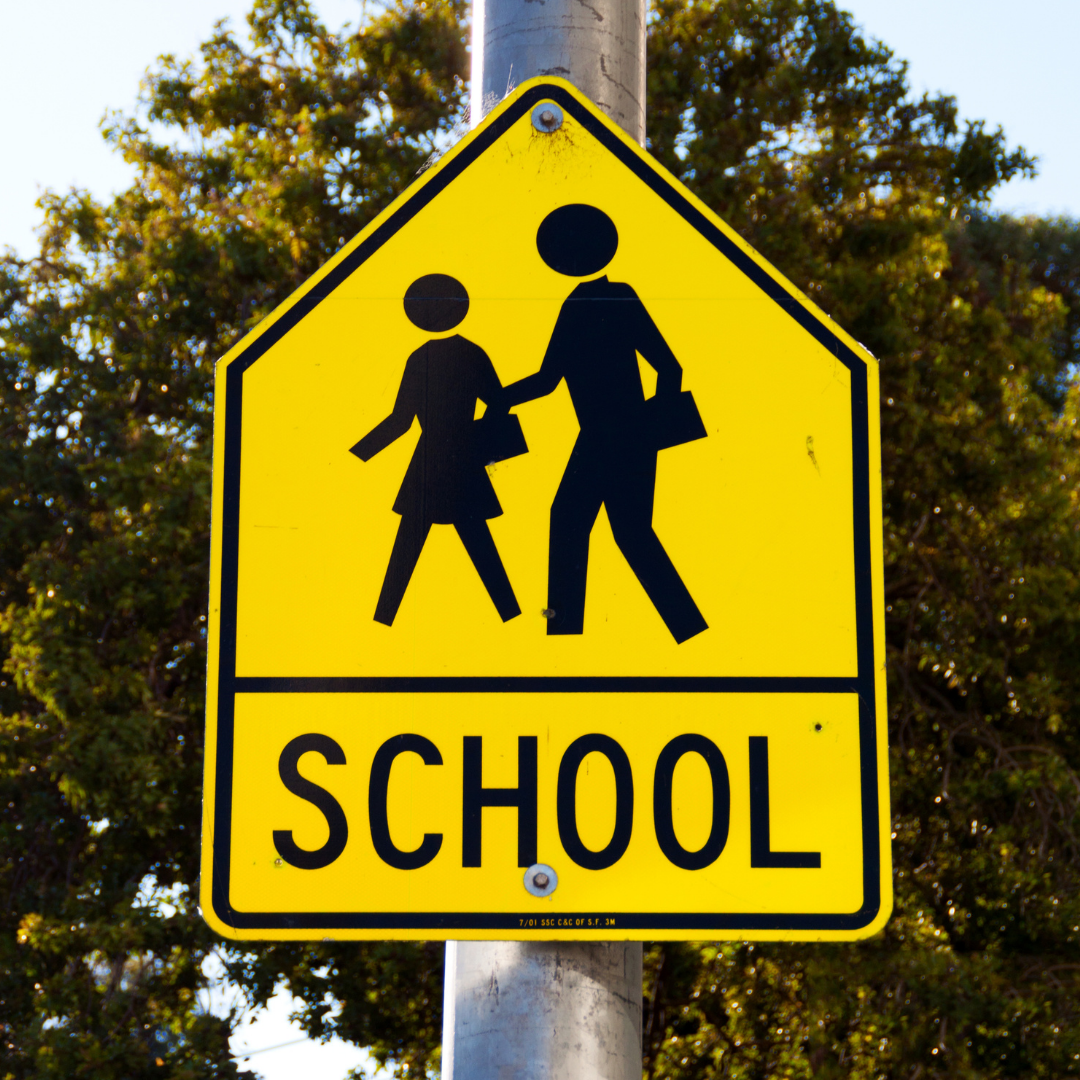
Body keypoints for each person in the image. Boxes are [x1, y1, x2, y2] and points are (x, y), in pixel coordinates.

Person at [497, 204, 707, 644]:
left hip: (622, 436)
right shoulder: (575, 305)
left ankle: (685, 632)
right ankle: (570, 637)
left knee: (615, 530)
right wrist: (501, 399)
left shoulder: (619, 296)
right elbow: (549, 380)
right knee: (594, 526)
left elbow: (669, 367)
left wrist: (651, 428)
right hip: (597, 438)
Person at [350, 274, 521, 627]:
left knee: (418, 545)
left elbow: (401, 421)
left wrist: (359, 454)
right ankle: (511, 617)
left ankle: (384, 621)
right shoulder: (471, 353)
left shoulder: (422, 357)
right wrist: (480, 441)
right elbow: (499, 401)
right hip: (461, 459)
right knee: (471, 542)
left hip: (431, 462)